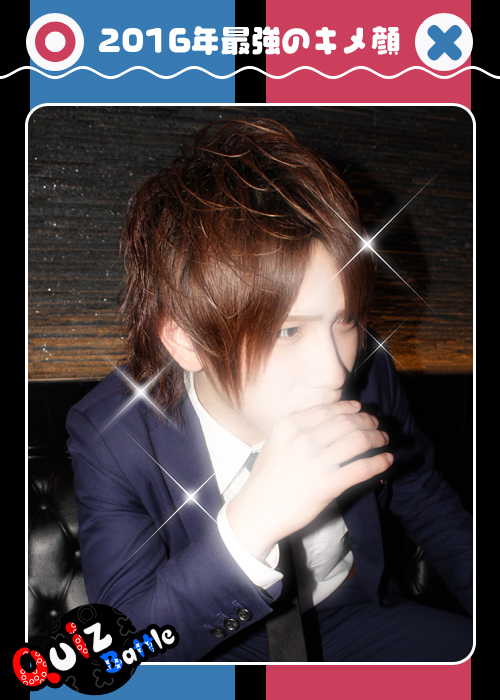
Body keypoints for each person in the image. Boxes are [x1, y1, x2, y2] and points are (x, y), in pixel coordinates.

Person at [66, 118, 473, 662]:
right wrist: (251, 525)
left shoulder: (370, 370)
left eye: (346, 320)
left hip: (355, 616)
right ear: (187, 340)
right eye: (287, 331)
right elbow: (120, 650)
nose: (334, 371)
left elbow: (422, 495)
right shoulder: (112, 435)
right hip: (219, 644)